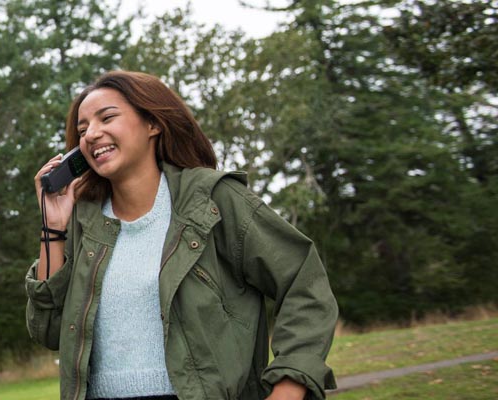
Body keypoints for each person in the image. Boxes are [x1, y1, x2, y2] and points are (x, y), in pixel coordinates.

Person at [26, 71, 338, 400]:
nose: (91, 135)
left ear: (153, 124)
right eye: (83, 129)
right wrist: (53, 228)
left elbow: (304, 283)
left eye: (107, 117)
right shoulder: (83, 221)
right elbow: (50, 330)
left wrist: (289, 388)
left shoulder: (212, 201)